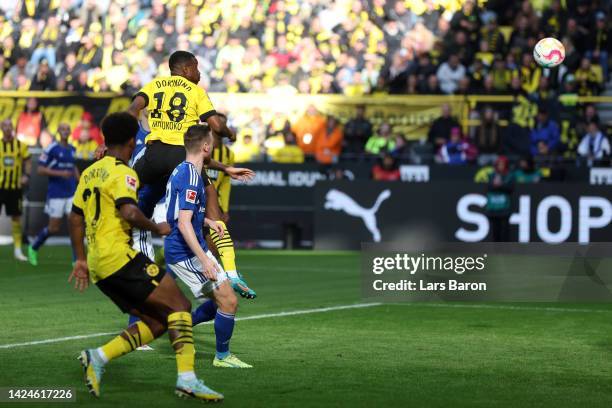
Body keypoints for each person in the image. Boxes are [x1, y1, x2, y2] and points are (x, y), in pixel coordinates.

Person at [68, 112, 223, 401]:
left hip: (98, 264)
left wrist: (79, 259)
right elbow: (128, 211)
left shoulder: (90, 172)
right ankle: (187, 380)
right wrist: (156, 227)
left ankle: (98, 357)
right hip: (120, 258)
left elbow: (75, 218)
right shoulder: (124, 173)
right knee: (180, 304)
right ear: (131, 142)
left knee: (158, 321)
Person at [125, 51, 255, 299]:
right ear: (185, 70)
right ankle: (230, 270)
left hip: (153, 154)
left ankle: (130, 252)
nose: (200, 73)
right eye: (196, 67)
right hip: (182, 156)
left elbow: (133, 109)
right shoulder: (196, 91)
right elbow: (216, 126)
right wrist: (229, 133)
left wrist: (115, 140)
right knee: (211, 197)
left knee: (130, 194)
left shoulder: (153, 85)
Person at [165, 124, 252, 368]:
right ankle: (222, 356)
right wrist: (204, 261)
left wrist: (208, 221)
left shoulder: (181, 170)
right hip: (186, 251)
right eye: (211, 142)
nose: (213, 145)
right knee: (229, 301)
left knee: (223, 301)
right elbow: (182, 224)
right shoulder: (192, 177)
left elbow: (182, 213)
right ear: (205, 147)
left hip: (191, 246)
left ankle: (178, 326)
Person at [29, 123, 79, 266]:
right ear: (58, 132)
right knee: (54, 228)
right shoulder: (51, 148)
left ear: (70, 132)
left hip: (71, 193)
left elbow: (72, 166)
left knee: (74, 224)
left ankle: (77, 259)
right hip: (56, 194)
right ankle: (34, 247)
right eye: (62, 129)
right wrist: (60, 173)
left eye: (67, 129)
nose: (65, 131)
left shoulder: (72, 149)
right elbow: (40, 169)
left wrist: (80, 180)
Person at [0, 119, 31, 261]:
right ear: (1, 128)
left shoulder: (20, 145)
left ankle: (17, 250)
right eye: (4, 126)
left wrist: (26, 175)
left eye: (9, 126)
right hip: (0, 187)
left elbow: (28, 160)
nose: (7, 128)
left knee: (16, 218)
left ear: (12, 128)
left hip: (15, 188)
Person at [486, 156, 513, 242]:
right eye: (499, 164)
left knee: (505, 230)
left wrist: (500, 185)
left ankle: (505, 249)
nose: (501, 166)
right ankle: (496, 248)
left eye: (503, 164)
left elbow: (510, 188)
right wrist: (495, 185)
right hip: (493, 207)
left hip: (504, 207)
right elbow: (488, 187)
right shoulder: (492, 175)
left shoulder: (509, 176)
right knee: (495, 229)